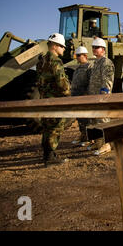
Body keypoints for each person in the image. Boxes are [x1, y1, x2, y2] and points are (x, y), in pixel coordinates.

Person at [36, 33, 71, 166]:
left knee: (47, 127)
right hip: (56, 100)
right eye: (62, 46)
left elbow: (39, 82)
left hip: (44, 100)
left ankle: (48, 153)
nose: (64, 49)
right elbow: (62, 83)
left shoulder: (42, 61)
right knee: (56, 127)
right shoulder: (55, 61)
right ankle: (50, 157)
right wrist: (68, 95)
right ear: (55, 46)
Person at [87, 37, 115, 155]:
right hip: (93, 97)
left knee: (103, 120)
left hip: (101, 97)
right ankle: (99, 143)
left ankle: (107, 144)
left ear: (103, 49)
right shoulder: (95, 63)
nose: (94, 49)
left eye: (97, 47)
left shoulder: (106, 62)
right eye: (93, 47)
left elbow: (107, 80)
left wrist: (104, 95)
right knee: (95, 121)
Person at [70, 46, 92, 146]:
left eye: (79, 55)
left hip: (85, 96)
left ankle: (90, 138)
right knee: (80, 118)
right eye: (76, 55)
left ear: (85, 56)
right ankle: (83, 135)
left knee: (87, 118)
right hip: (76, 96)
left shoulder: (90, 67)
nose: (77, 57)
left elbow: (91, 83)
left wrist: (87, 95)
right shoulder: (77, 68)